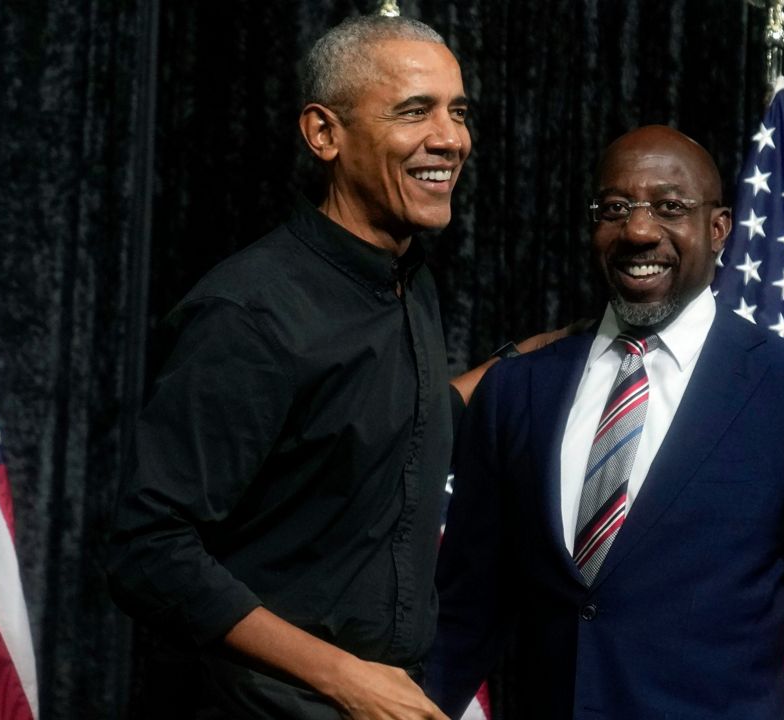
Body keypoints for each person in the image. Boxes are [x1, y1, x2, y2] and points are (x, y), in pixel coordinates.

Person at [425, 125, 784, 719]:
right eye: (616, 208)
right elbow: (462, 618)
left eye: (670, 207)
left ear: (719, 228)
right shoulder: (517, 390)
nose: (640, 231)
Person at [107, 15, 518, 719]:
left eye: (457, 112)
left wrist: (549, 355)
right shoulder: (250, 313)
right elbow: (147, 551)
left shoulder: (408, 278)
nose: (451, 138)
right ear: (324, 133)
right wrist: (344, 678)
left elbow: (386, 425)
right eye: (414, 111)